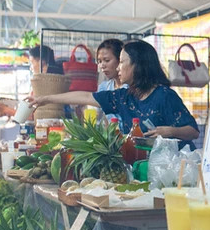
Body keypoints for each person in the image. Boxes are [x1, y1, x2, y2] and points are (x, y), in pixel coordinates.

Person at [28, 40, 200, 149]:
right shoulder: (124, 97)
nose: (118, 68)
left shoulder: (164, 96)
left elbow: (193, 131)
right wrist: (45, 99)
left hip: (176, 169)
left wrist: (170, 131)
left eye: (122, 62)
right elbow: (86, 97)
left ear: (138, 65)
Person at [96, 38, 127, 123]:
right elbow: (104, 119)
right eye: (99, 61)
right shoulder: (103, 87)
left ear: (120, 60)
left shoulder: (130, 88)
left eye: (107, 60)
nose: (102, 66)